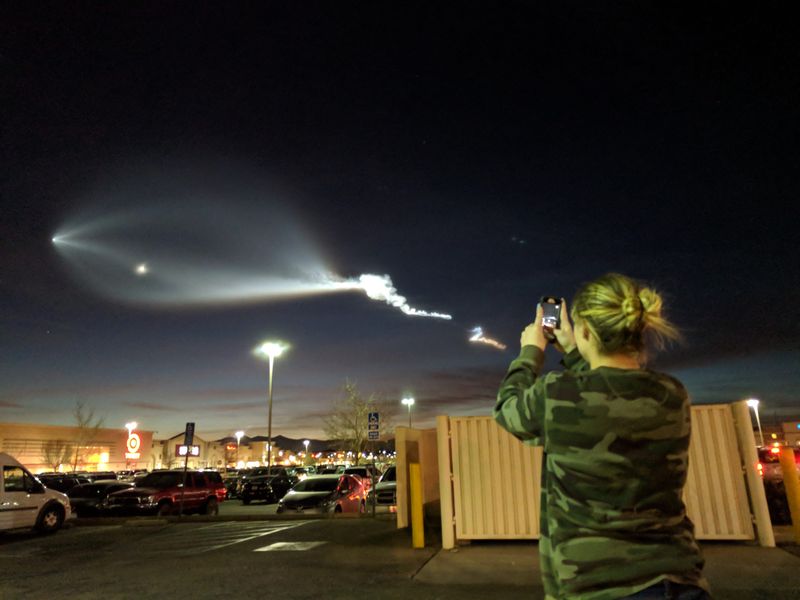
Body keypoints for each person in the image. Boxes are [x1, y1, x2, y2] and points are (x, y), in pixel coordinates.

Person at [494, 273, 710, 600]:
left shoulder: (557, 393)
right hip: (678, 581)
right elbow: (606, 392)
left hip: (594, 586)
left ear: (585, 331)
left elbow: (507, 409)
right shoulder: (671, 394)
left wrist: (531, 351)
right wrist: (575, 350)